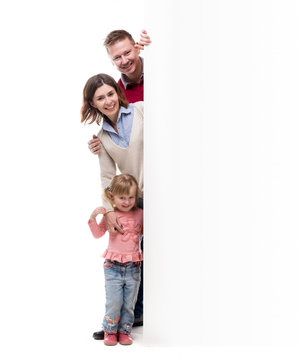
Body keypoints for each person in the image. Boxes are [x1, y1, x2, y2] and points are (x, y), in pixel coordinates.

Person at [81, 73, 144, 340]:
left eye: (109, 94)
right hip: (136, 201)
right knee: (134, 258)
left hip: (167, 194)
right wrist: (108, 210)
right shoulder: (102, 139)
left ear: (117, 93)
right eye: (100, 98)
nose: (107, 101)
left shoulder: (142, 110)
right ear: (93, 105)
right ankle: (122, 319)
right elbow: (108, 179)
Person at [88, 174, 143, 346]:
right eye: (122, 198)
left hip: (133, 268)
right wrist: (93, 218)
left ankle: (125, 331)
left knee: (128, 303)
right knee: (114, 302)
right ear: (113, 197)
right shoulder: (110, 215)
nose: (126, 202)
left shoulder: (140, 214)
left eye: (130, 197)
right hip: (113, 267)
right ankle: (110, 331)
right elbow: (98, 234)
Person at [88, 29, 151, 155]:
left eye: (127, 53)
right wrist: (100, 145)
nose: (124, 61)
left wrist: (155, 44)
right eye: (117, 57)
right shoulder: (116, 95)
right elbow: (119, 132)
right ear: (112, 62)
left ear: (137, 48)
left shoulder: (159, 68)